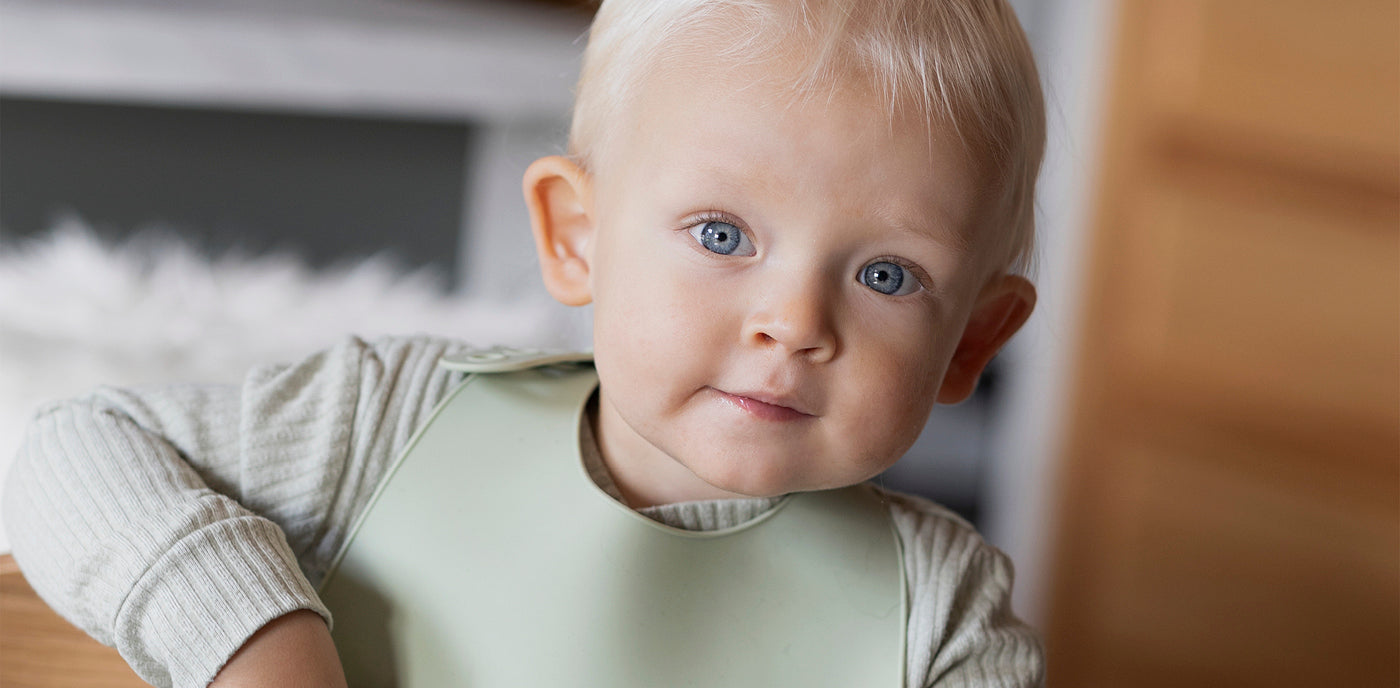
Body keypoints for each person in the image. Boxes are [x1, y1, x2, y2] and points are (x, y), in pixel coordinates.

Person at [3, 0, 1047, 685]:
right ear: (574, 237)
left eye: (885, 276)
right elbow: (68, 449)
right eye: (721, 235)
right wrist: (254, 637)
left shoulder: (944, 619)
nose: (794, 323)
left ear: (970, 339)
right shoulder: (384, 420)